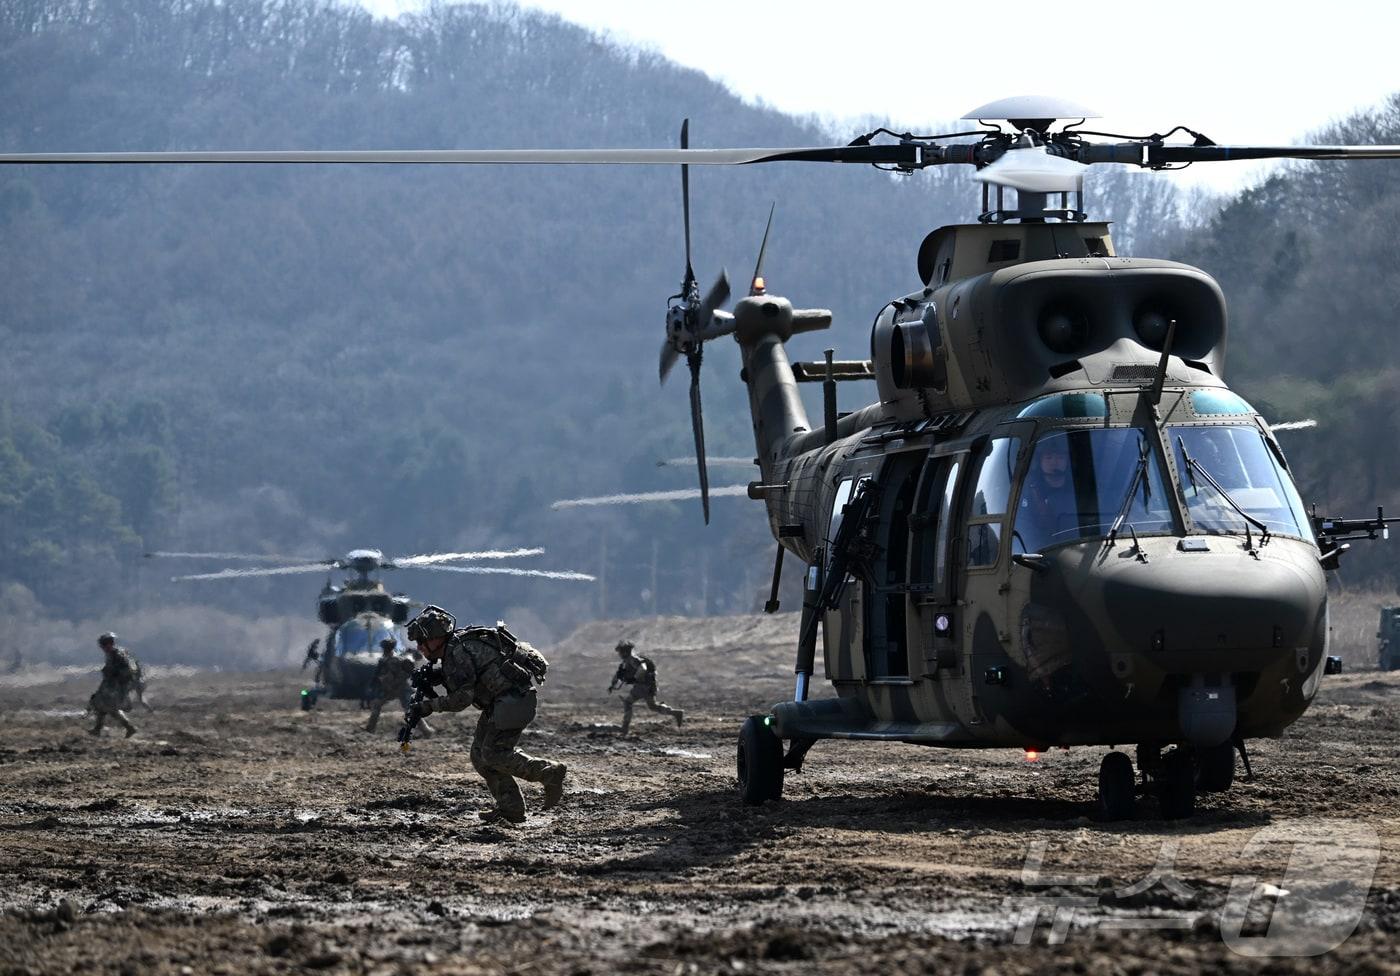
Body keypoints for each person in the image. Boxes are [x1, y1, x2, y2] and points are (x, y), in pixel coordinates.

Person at [404, 606, 565, 825]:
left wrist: (428, 706)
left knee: (494, 754)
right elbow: (472, 673)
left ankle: (548, 773)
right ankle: (511, 809)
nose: (420, 647)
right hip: (501, 703)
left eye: (422, 641)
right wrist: (438, 676)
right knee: (479, 755)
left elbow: (462, 699)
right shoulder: (456, 647)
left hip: (512, 702)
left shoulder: (457, 652)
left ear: (435, 638)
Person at [1017, 435, 1078, 551]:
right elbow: (1025, 528)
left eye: (1060, 458)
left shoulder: (1077, 490)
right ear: (1039, 462)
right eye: (1048, 457)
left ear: (1067, 462)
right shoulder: (1029, 494)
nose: (1054, 462)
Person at [609, 640, 683, 735]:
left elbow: (643, 668)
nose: (619, 654)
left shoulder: (633, 659)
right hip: (648, 686)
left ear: (625, 652)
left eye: (620, 652)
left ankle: (625, 727)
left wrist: (634, 679)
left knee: (628, 702)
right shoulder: (627, 661)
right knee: (653, 706)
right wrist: (613, 684)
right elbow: (619, 674)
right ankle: (675, 713)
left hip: (643, 686)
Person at [365, 637, 431, 735]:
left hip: (398, 688)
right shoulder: (389, 660)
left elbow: (405, 673)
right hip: (393, 688)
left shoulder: (395, 660)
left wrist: (392, 682)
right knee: (378, 705)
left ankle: (426, 730)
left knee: (409, 709)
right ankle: (370, 729)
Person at [89, 633, 138, 738]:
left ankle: (130, 728)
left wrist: (116, 675)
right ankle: (97, 729)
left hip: (118, 686)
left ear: (109, 644)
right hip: (111, 685)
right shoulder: (111, 654)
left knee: (110, 708)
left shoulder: (119, 655)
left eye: (103, 645)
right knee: (99, 704)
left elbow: (129, 670)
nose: (102, 648)